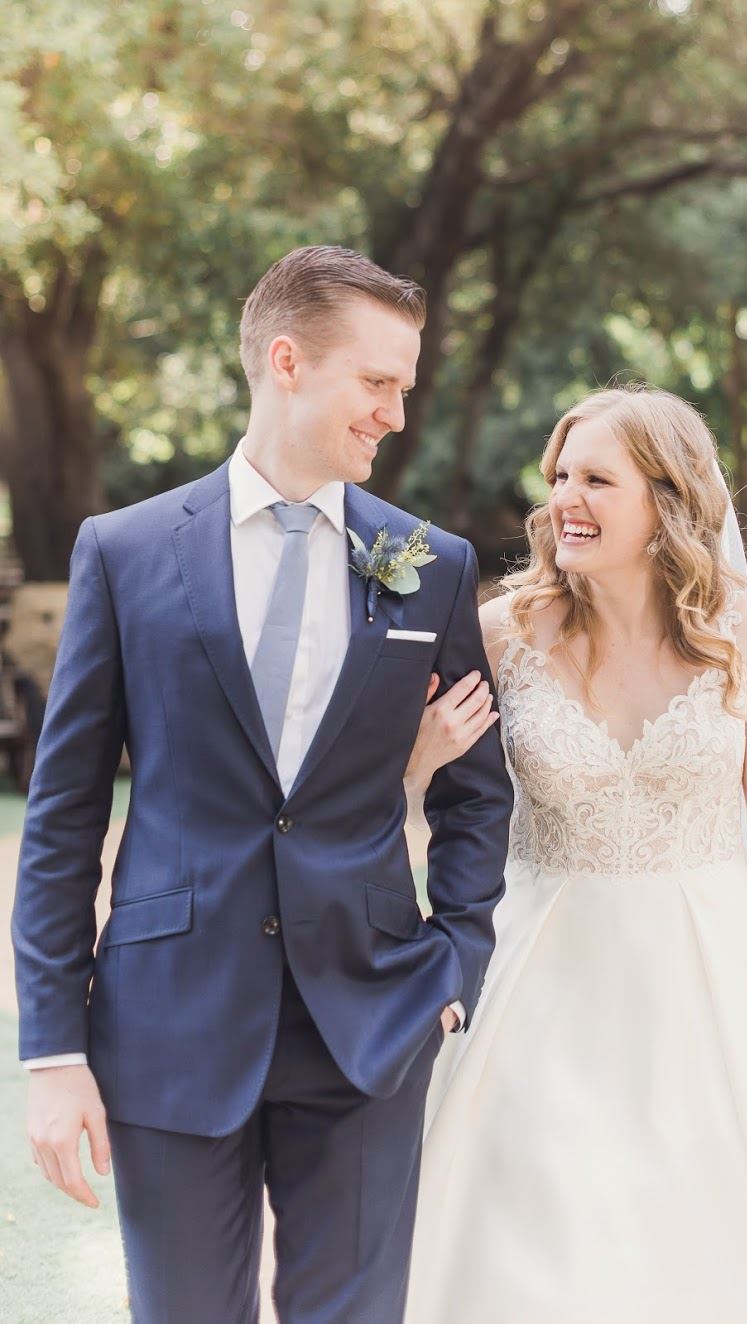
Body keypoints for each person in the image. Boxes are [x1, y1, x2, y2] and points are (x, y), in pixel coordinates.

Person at [12, 245, 514, 1323]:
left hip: (374, 1021)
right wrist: (51, 1050)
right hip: (167, 1023)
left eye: (404, 389)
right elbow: (62, 820)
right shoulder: (126, 551)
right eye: (375, 383)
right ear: (285, 361)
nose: (394, 414)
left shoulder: (431, 563)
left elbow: (476, 791)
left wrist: (456, 953)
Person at [402, 384, 747, 1324]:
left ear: (668, 500)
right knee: (533, 1239)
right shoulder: (502, 633)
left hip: (711, 977)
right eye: (560, 476)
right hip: (538, 975)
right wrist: (417, 759)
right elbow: (424, 809)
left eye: (597, 479)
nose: (564, 499)